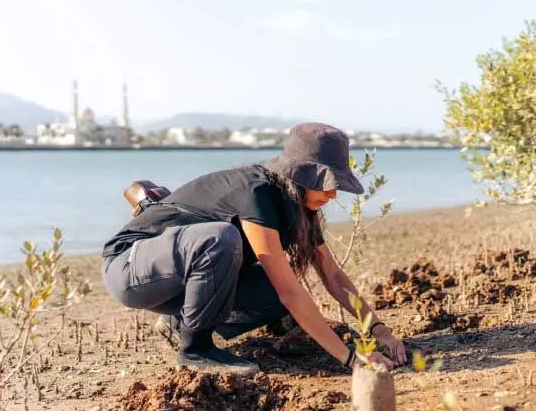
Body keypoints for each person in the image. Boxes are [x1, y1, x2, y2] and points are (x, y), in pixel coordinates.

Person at [100, 122, 407, 375]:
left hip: (174, 278)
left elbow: (333, 275)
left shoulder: (298, 207)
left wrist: (379, 330)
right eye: (325, 182)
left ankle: (181, 322)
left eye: (336, 183)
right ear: (300, 176)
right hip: (129, 269)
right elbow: (290, 292)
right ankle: (195, 350)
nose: (333, 192)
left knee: (272, 295)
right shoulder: (257, 193)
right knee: (221, 239)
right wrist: (351, 359)